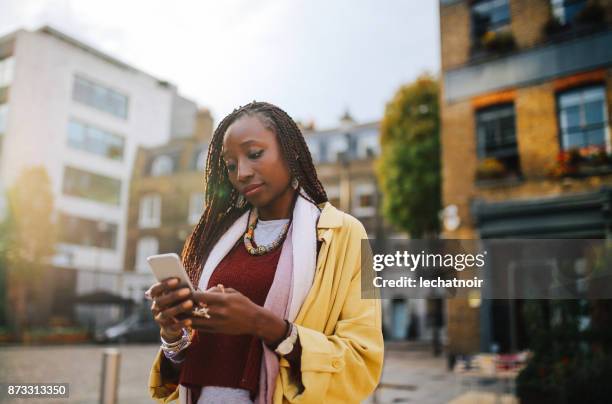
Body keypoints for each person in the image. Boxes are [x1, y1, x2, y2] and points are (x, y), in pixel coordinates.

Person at [146, 101, 384, 403]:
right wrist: (173, 335)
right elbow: (190, 363)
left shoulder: (346, 234)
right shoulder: (219, 241)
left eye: (255, 154)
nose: (241, 173)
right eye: (230, 165)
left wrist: (263, 324)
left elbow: (362, 363)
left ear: (290, 151)